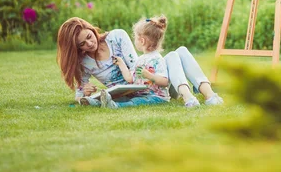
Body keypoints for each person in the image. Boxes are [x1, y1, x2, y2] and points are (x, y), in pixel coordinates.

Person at [56, 16, 224, 108]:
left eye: (89, 37)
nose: (89, 44)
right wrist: (84, 92)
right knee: (174, 55)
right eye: (82, 44)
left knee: (178, 52)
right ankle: (192, 97)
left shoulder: (116, 37)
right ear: (76, 48)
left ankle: (209, 95)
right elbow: (79, 96)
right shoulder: (83, 62)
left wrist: (146, 76)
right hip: (135, 91)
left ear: (92, 30)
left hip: (151, 84)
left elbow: (137, 67)